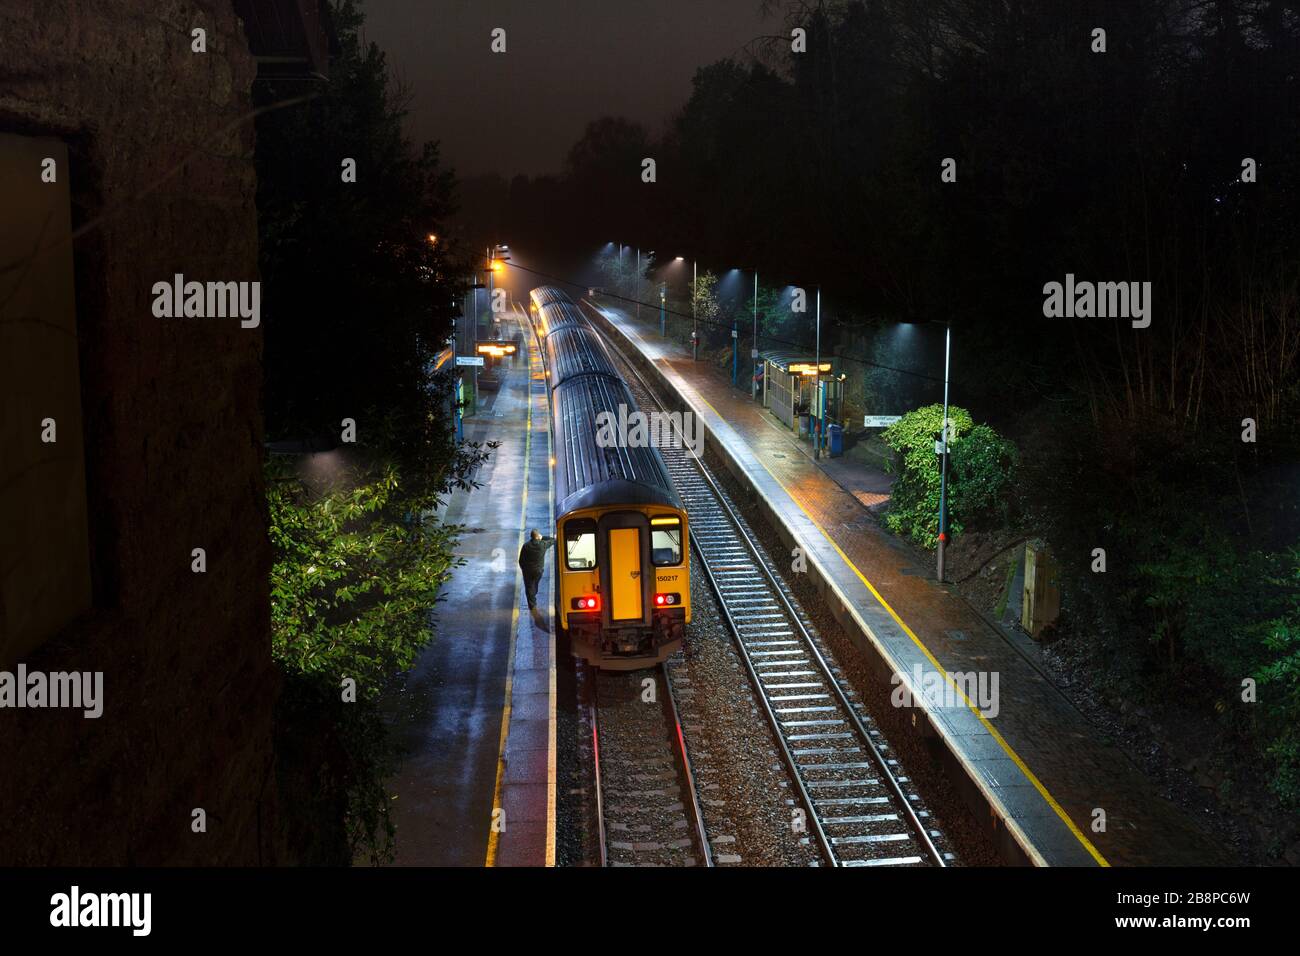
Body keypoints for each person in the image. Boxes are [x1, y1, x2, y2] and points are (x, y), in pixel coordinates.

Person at [518, 529, 555, 611]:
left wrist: (524, 569)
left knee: (529, 587)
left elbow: (521, 560)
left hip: (528, 571)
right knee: (534, 584)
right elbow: (552, 540)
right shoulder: (543, 544)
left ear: (531, 536)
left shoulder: (526, 546)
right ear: (538, 536)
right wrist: (542, 537)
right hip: (538, 571)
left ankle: (532, 605)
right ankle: (533, 595)